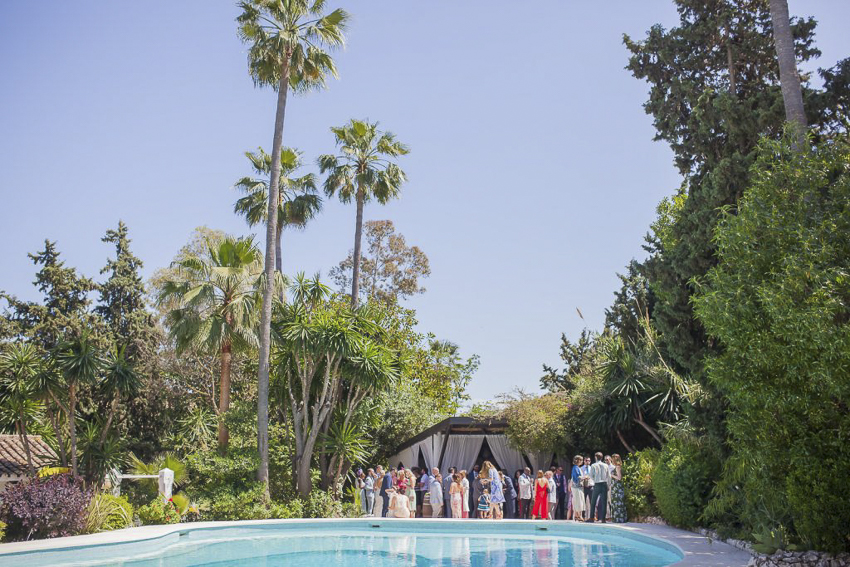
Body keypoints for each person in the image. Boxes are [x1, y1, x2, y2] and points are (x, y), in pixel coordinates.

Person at [588, 452, 611, 523]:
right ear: (602, 457)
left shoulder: (593, 465)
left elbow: (591, 476)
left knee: (593, 501)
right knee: (604, 502)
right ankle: (603, 519)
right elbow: (609, 476)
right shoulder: (606, 465)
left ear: (595, 457)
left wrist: (595, 480)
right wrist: (608, 485)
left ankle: (592, 517)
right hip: (604, 484)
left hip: (597, 484)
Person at [610, 454, 628, 523]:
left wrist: (611, 475)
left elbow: (619, 477)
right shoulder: (618, 466)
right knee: (617, 503)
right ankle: (618, 518)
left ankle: (619, 519)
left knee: (618, 503)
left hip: (617, 488)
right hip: (616, 487)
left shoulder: (617, 467)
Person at [570, 456, 585, 522]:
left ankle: (576, 515)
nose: (582, 461)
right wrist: (584, 477)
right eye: (581, 460)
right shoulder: (575, 468)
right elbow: (577, 477)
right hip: (577, 487)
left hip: (577, 487)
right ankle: (579, 515)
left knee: (577, 500)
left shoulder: (576, 468)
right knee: (578, 501)